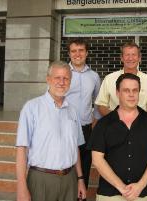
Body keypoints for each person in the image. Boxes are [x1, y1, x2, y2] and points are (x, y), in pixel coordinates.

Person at [16, 61, 86, 201]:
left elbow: (75, 148)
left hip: (69, 180)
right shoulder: (31, 108)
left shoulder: (73, 111)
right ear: (48, 79)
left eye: (66, 78)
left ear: (70, 81)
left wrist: (80, 179)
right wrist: (21, 187)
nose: (62, 82)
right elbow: (21, 149)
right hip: (40, 180)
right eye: (57, 78)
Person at [89, 73, 147, 201]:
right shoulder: (103, 124)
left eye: (135, 90)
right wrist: (122, 187)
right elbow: (97, 160)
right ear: (118, 93)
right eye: (126, 90)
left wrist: (140, 186)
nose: (131, 94)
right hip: (109, 194)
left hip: (142, 194)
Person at [66, 38, 101, 189]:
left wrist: (95, 122)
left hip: (86, 129)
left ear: (86, 53)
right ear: (69, 53)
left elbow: (98, 102)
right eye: (74, 51)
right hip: (65, 128)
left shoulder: (94, 76)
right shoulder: (62, 73)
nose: (77, 54)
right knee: (66, 167)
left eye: (81, 50)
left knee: (84, 168)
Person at [95, 42, 147, 116]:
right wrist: (115, 120)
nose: (130, 58)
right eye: (127, 55)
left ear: (139, 58)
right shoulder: (109, 79)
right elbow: (101, 105)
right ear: (122, 58)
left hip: (141, 126)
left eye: (134, 55)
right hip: (115, 125)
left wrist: (142, 121)